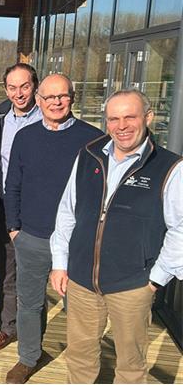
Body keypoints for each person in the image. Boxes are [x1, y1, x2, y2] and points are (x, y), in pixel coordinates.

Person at [49, 89, 183, 383]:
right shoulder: (89, 155)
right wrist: (60, 262)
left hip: (133, 285)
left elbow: (181, 229)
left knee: (131, 366)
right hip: (82, 280)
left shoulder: (170, 167)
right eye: (113, 119)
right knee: (80, 357)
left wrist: (156, 278)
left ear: (148, 117)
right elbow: (67, 210)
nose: (121, 126)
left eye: (130, 117)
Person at [3, 74, 102, 384]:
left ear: (71, 97)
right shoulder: (26, 136)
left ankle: (82, 364)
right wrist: (13, 227)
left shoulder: (94, 139)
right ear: (39, 100)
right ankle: (28, 357)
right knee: (30, 302)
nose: (56, 102)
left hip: (76, 242)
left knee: (80, 307)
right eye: (49, 97)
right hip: (31, 236)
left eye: (62, 96)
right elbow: (12, 185)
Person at [0, 63, 43, 350]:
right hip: (1, 207)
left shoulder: (47, 118)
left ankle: (32, 332)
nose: (19, 93)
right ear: (6, 89)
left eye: (25, 86)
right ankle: (7, 326)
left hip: (37, 209)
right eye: (12, 87)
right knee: (3, 270)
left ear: (35, 86)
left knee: (34, 272)